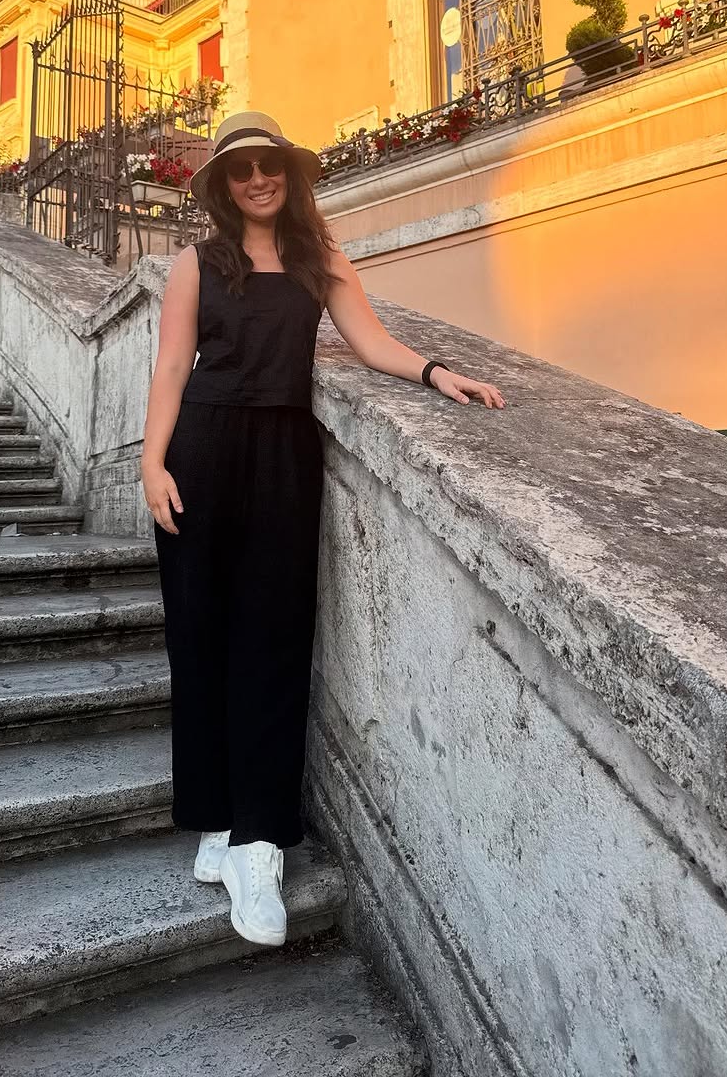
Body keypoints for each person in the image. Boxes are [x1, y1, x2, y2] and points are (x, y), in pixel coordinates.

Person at [140, 110, 504, 949]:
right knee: (198, 635)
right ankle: (215, 817)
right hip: (200, 448)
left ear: (290, 174)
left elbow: (370, 342)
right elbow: (171, 364)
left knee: (274, 637)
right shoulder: (197, 263)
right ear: (224, 187)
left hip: (283, 451)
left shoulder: (319, 258)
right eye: (241, 170)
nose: (258, 179)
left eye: (269, 165)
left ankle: (260, 840)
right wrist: (151, 462)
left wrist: (437, 372)